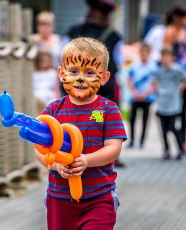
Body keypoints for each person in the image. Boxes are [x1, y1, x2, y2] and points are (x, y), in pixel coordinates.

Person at [37, 37, 127, 229]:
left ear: (104, 77)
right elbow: (41, 150)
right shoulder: (53, 111)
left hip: (98, 198)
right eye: (73, 71)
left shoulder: (107, 109)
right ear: (61, 74)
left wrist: (87, 160)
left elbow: (114, 148)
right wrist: (55, 165)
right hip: (59, 198)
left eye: (89, 72)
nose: (80, 78)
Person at [64, 0, 126, 167]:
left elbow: (62, 56)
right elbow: (119, 62)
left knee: (73, 117)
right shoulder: (114, 35)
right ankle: (107, 153)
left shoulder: (73, 31)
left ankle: (71, 150)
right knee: (101, 119)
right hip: (104, 87)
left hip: (75, 85)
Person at [162, 5, 186, 150]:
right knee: (174, 111)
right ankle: (174, 144)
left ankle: (183, 145)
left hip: (185, 74)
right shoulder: (170, 32)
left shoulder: (185, 31)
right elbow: (166, 54)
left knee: (184, 110)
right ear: (178, 18)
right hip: (174, 76)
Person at [152, 46, 186, 160]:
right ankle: (166, 149)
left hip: (173, 104)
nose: (165, 59)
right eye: (163, 57)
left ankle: (181, 149)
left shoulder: (177, 69)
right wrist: (157, 90)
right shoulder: (159, 70)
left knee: (173, 127)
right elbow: (154, 81)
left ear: (172, 58)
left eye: (167, 56)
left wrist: (180, 88)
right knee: (163, 129)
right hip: (162, 103)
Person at [127, 43, 156, 149]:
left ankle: (142, 141)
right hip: (135, 97)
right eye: (141, 52)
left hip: (147, 98)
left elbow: (154, 84)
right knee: (132, 119)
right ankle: (132, 140)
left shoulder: (153, 67)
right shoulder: (134, 66)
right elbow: (129, 81)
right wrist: (134, 92)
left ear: (149, 53)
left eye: (145, 53)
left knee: (145, 120)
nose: (143, 55)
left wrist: (145, 94)